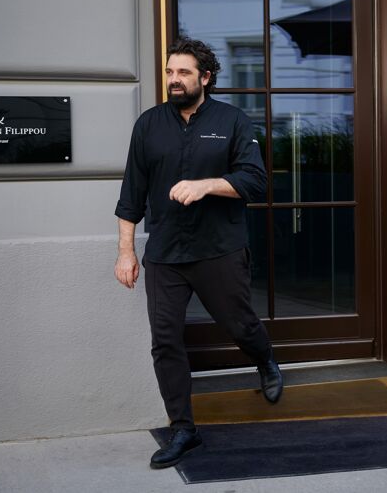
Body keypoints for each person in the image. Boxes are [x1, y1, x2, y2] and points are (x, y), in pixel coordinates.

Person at [114, 38, 283, 469]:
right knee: (165, 340)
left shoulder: (232, 121)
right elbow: (131, 193)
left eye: (184, 73)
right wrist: (126, 253)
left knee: (239, 323)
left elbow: (254, 181)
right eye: (170, 72)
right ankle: (183, 428)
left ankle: (264, 358)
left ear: (205, 77)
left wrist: (206, 184)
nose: (174, 80)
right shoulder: (149, 125)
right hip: (166, 254)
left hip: (218, 250)